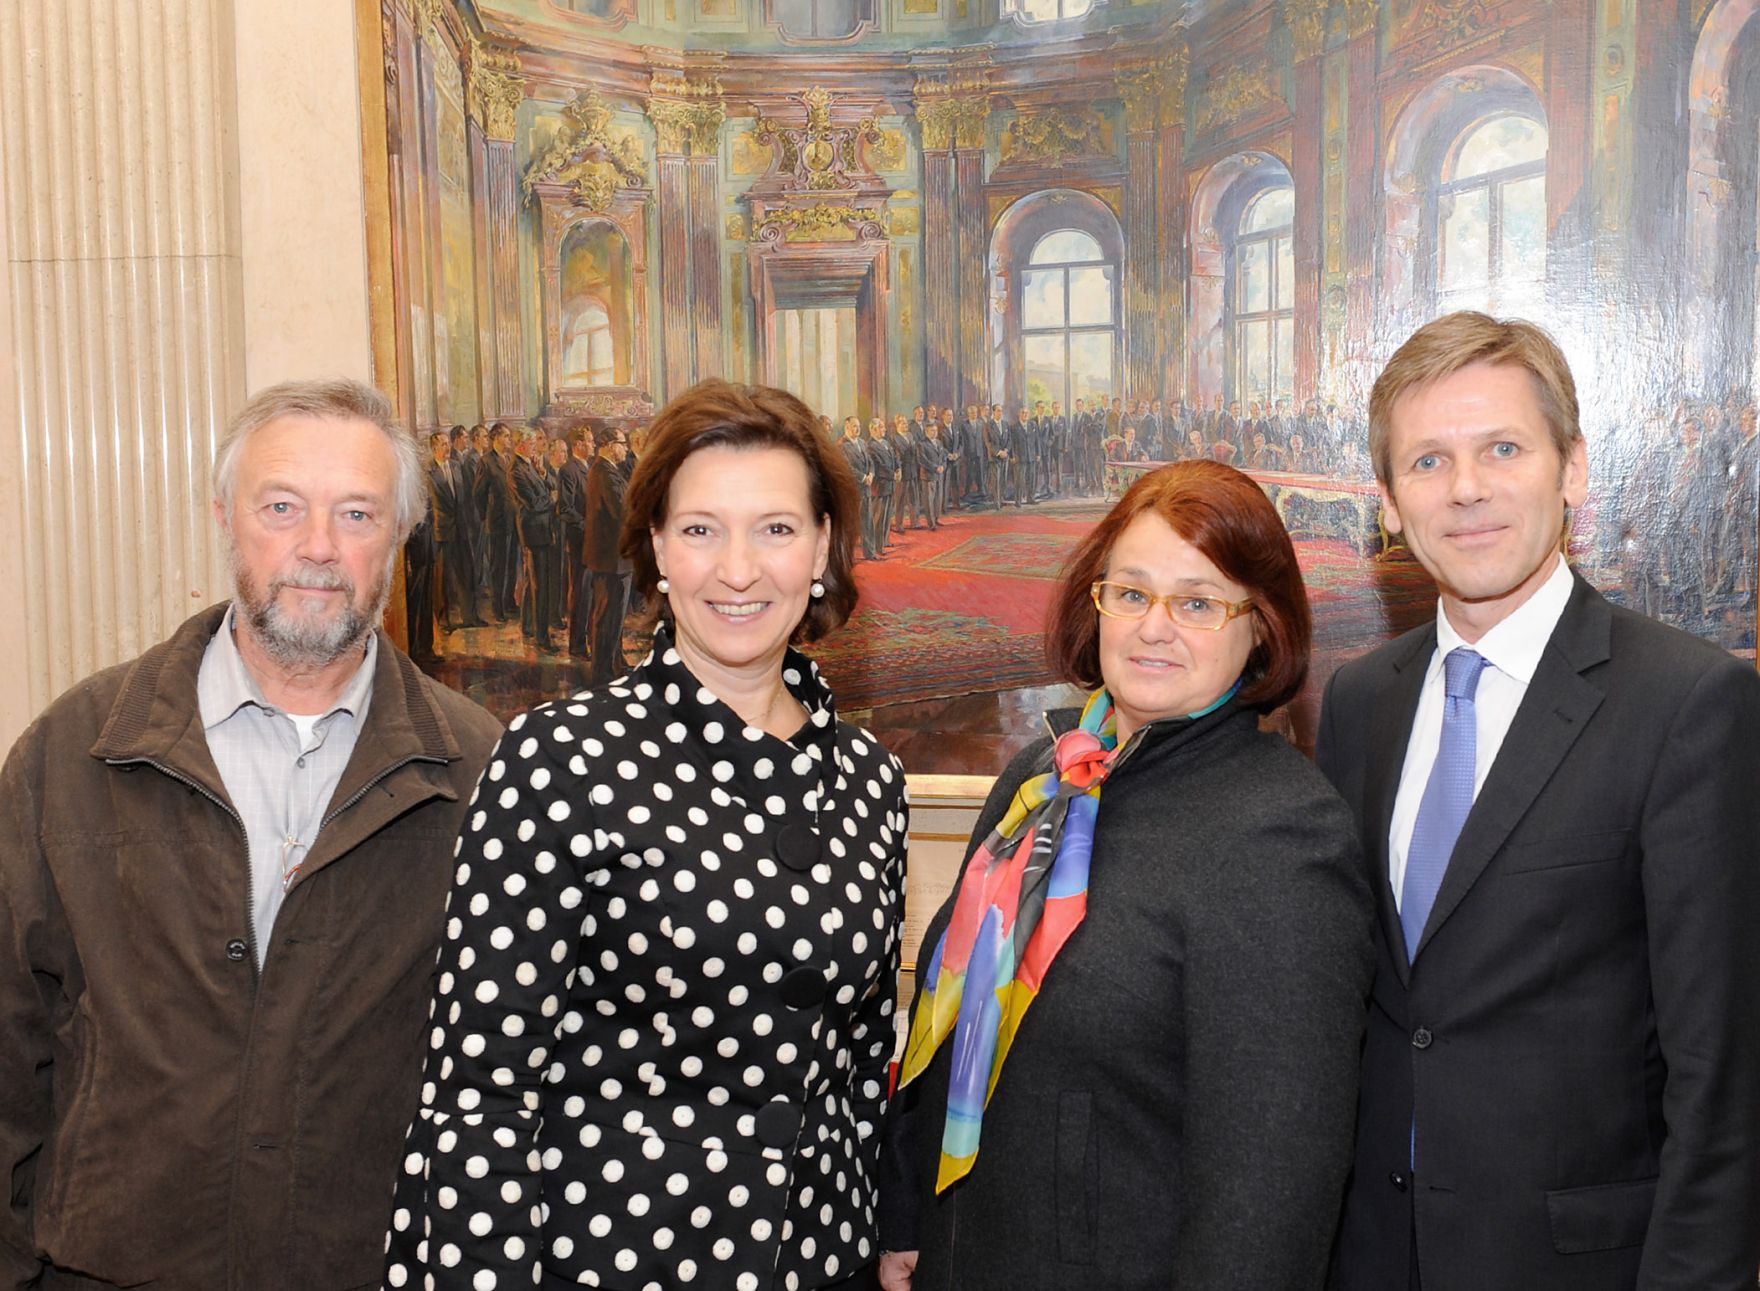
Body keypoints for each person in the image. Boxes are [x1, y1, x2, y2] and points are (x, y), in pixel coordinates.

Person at [386, 379, 908, 1291]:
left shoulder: (870, 782)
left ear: (823, 545)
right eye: (702, 529)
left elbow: (859, 1069)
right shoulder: (561, 760)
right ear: (658, 547)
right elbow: (476, 1092)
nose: (738, 569)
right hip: (605, 1262)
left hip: (819, 1265)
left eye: (776, 529)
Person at [0, 379, 501, 1290]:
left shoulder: (480, 773)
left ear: (398, 538)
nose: (318, 547)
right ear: (225, 517)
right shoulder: (74, 750)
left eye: (357, 512)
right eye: (282, 506)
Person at [1316, 311, 1760, 1290]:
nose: (1464, 488)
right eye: (1426, 461)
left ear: (1571, 470)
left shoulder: (1686, 702)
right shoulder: (1357, 701)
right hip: (1373, 1259)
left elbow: (1721, 1079)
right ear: (1386, 501)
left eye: (1501, 448)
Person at [878, 459, 1374, 1291]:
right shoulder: (1043, 777)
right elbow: (958, 1017)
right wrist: (908, 1217)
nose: (1154, 627)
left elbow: (1268, 1200)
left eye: (1198, 602)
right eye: (1132, 592)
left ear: (1263, 628)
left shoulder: (1282, 836)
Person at [580, 425, 633, 684]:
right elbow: (622, 511)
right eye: (622, 443)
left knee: (615, 617)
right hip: (610, 559)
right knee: (606, 617)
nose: (626, 448)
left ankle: (616, 663)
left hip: (616, 559)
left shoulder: (609, 470)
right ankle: (602, 674)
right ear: (610, 445)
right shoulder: (603, 472)